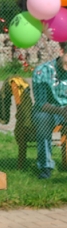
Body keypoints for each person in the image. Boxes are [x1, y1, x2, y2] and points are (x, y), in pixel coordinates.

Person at [32, 43, 67, 178]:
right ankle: (45, 166)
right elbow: (41, 103)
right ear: (61, 52)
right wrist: (61, 111)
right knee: (42, 118)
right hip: (49, 111)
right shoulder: (42, 71)